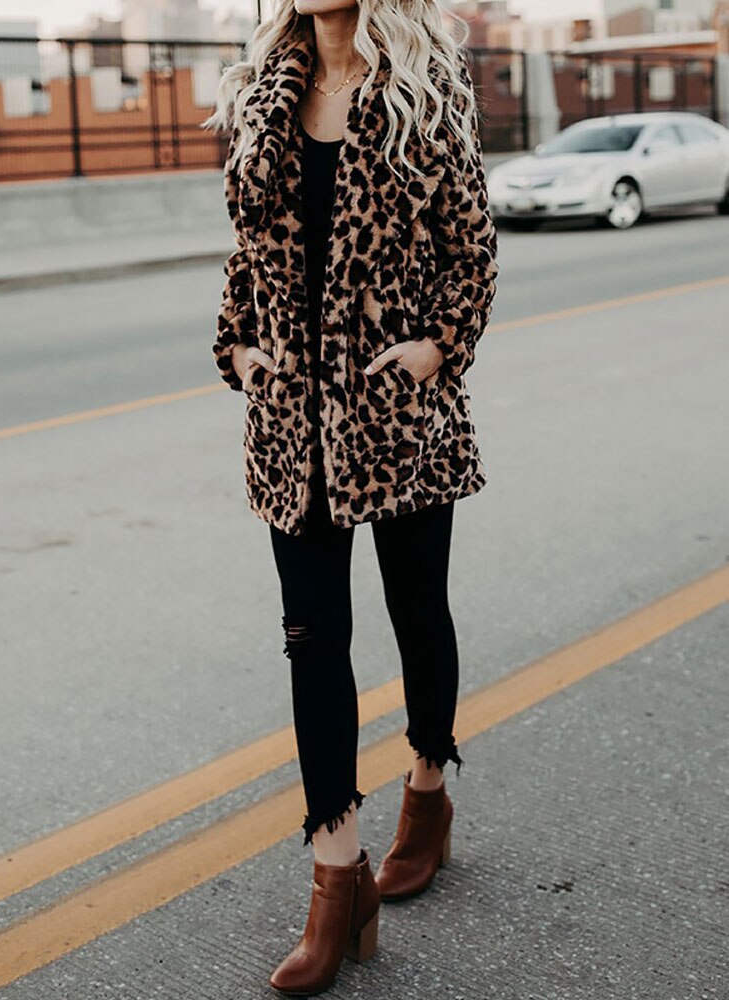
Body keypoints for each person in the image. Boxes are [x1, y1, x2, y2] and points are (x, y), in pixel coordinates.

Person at [203, 0, 498, 993]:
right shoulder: (260, 93)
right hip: (292, 425)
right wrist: (236, 347)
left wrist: (436, 350)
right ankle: (339, 879)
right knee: (311, 638)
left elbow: (473, 245)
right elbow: (246, 254)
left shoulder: (423, 90)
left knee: (419, 611)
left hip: (396, 413)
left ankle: (427, 792)